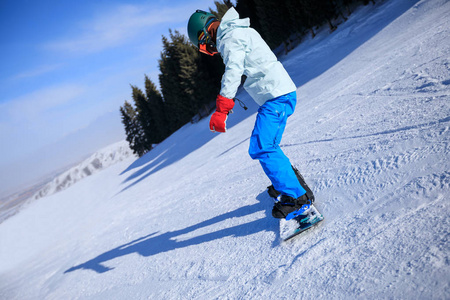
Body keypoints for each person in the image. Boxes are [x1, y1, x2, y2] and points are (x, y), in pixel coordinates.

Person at [187, 7, 313, 220]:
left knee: (263, 147)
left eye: (204, 45)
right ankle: (288, 181)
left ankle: (297, 199)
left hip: (276, 97)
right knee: (266, 144)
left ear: (204, 34)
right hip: (278, 94)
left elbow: (233, 71)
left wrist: (222, 108)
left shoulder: (229, 39)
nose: (210, 49)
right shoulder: (240, 31)